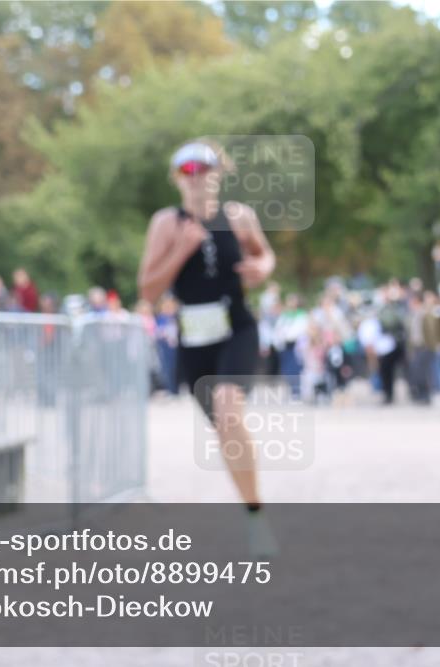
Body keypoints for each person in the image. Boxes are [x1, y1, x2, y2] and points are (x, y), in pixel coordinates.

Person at [137, 139, 277, 555]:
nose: (196, 178)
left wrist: (261, 268)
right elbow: (147, 289)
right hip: (194, 338)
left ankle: (256, 520)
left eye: (204, 168)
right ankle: (253, 508)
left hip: (237, 327)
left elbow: (265, 256)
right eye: (186, 171)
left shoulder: (239, 217)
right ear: (177, 179)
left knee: (230, 409)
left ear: (220, 172)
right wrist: (181, 248)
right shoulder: (166, 223)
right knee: (226, 431)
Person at [154, 296, 181, 396]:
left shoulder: (176, 317)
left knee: (176, 368)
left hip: (176, 347)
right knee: (167, 368)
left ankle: (176, 389)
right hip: (165, 347)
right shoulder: (161, 318)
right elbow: (158, 332)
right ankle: (171, 389)